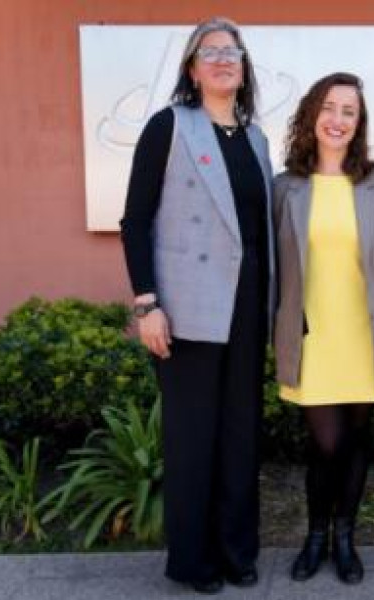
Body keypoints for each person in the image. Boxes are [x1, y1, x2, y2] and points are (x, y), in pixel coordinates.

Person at [119, 17, 274, 595]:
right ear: (191, 68)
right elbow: (134, 221)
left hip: (247, 307)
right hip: (185, 311)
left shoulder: (255, 137)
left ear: (243, 66)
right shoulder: (169, 127)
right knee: (193, 438)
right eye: (209, 52)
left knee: (240, 435)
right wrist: (147, 305)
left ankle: (238, 552)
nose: (222, 59)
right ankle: (194, 561)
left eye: (231, 51)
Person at [273, 72, 374, 585]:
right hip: (313, 337)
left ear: (359, 122)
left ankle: (346, 540)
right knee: (324, 444)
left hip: (365, 333)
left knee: (356, 439)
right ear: (312, 115)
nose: (337, 120)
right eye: (329, 108)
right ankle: (315, 538)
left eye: (349, 111)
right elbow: (276, 269)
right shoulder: (285, 187)